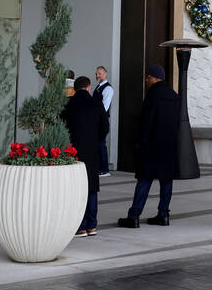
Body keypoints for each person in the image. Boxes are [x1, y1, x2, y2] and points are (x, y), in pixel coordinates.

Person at [118, 65, 181, 228]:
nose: (147, 80)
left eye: (148, 77)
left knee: (144, 180)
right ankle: (164, 215)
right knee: (166, 181)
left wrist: (140, 143)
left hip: (152, 146)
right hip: (169, 146)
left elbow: (146, 122)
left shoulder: (153, 95)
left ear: (155, 78)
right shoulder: (174, 96)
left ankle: (134, 216)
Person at [63, 75, 108, 237]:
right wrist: (96, 139)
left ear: (74, 89)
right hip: (92, 150)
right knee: (92, 187)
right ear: (89, 88)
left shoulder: (69, 104)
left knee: (77, 188)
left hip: (74, 151)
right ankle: (92, 225)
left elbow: (62, 126)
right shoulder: (96, 103)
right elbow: (105, 126)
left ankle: (80, 227)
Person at [94, 65, 114, 177]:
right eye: (96, 74)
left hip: (102, 120)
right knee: (98, 144)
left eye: (100, 73)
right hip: (98, 119)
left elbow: (105, 107)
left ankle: (105, 169)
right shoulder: (98, 87)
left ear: (105, 74)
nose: (97, 75)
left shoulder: (108, 88)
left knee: (101, 144)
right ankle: (100, 168)